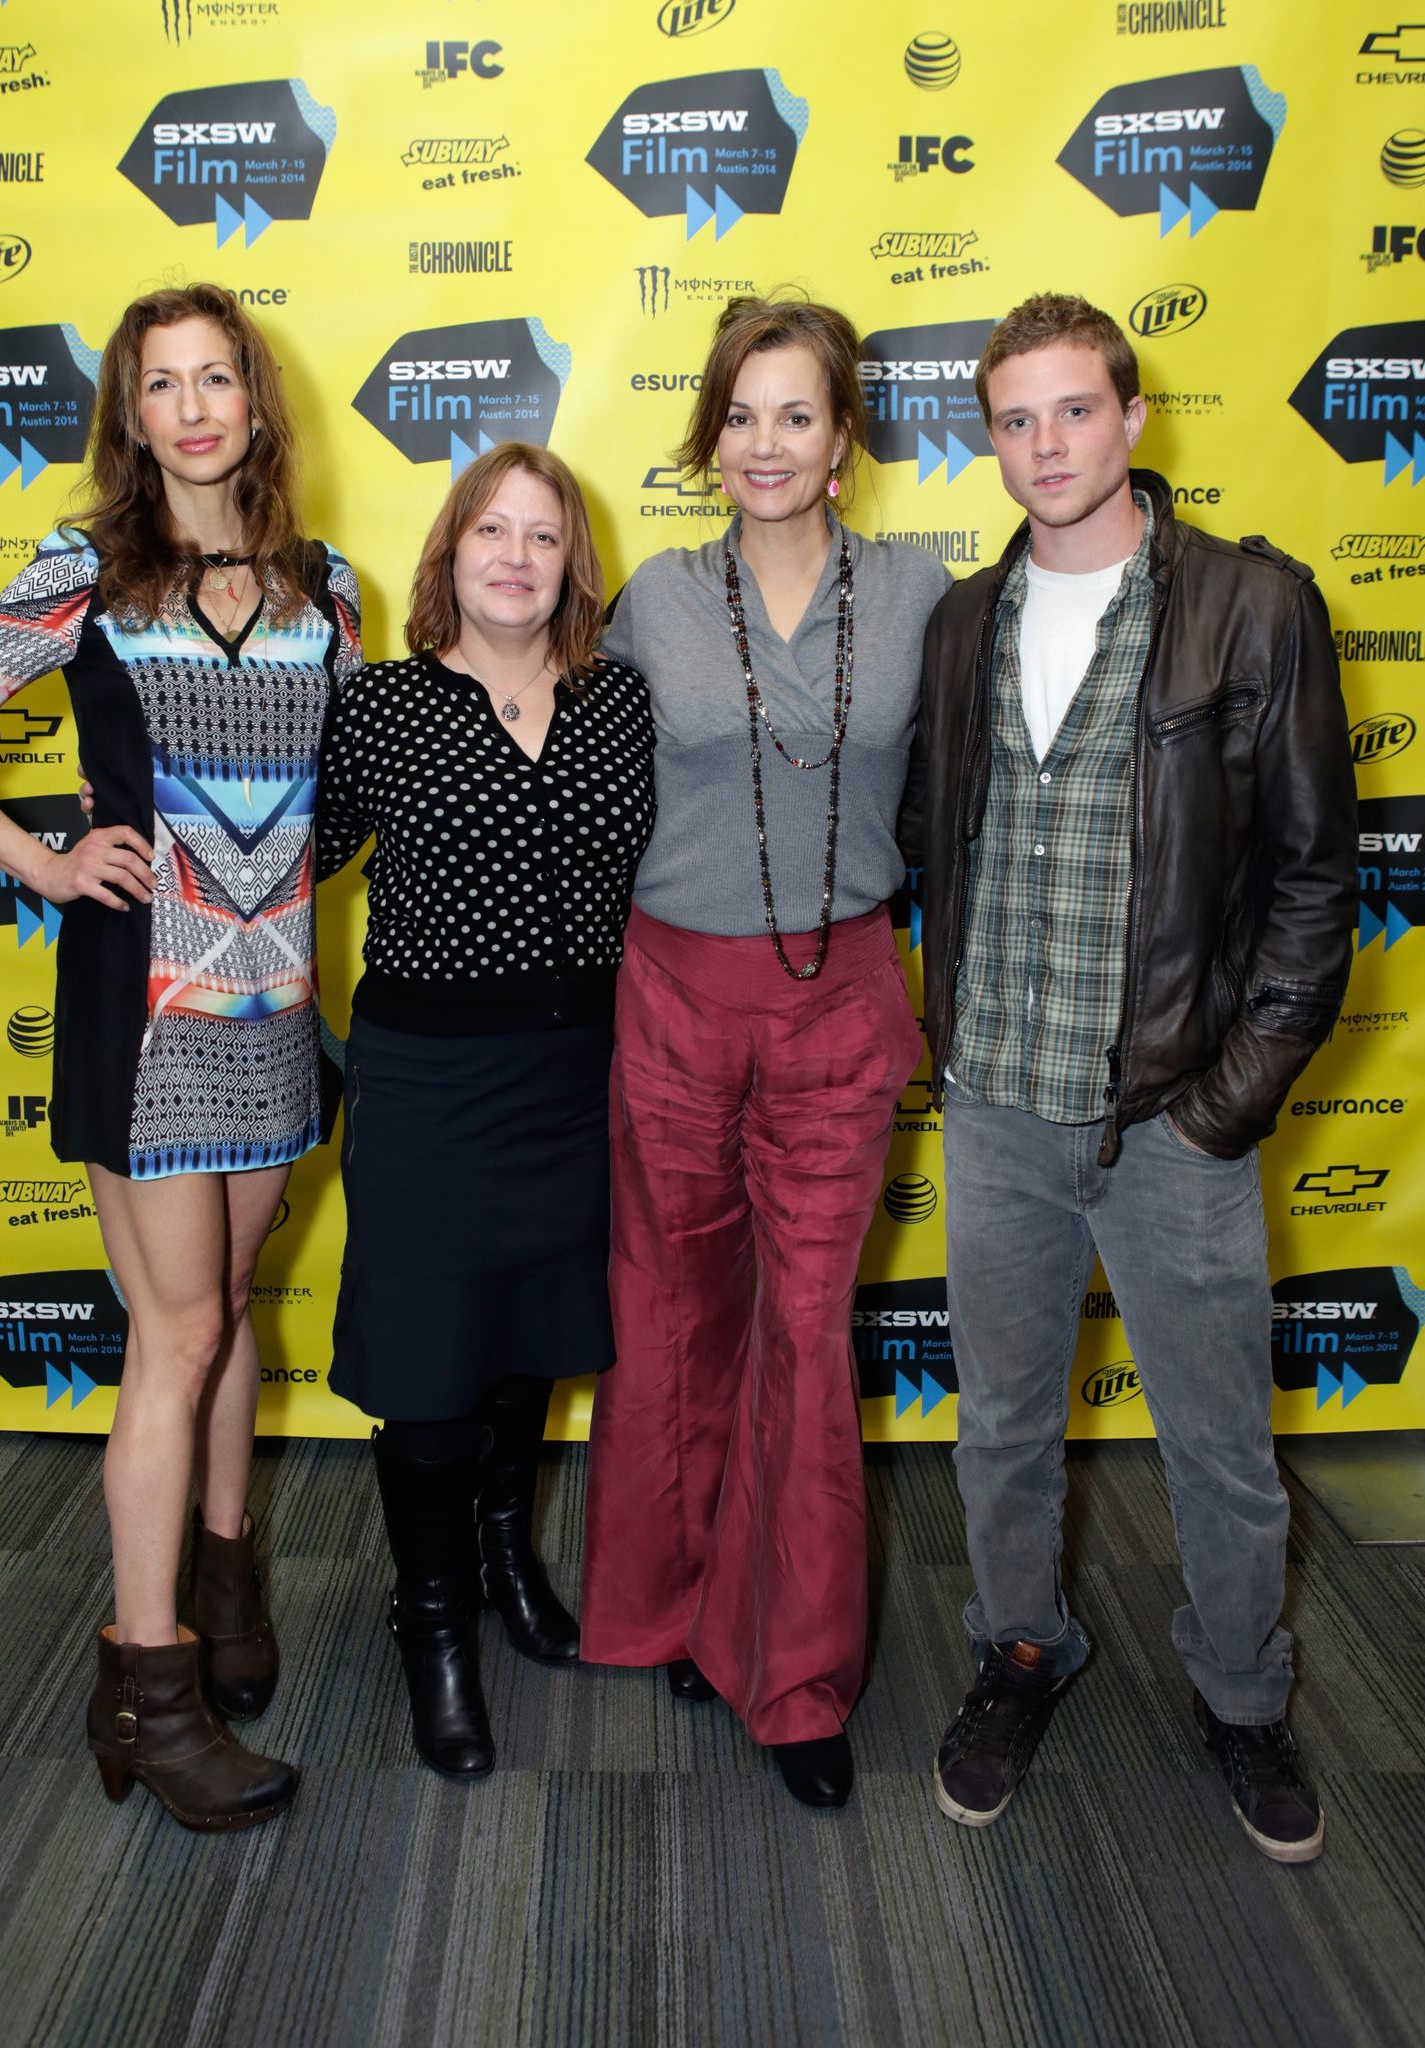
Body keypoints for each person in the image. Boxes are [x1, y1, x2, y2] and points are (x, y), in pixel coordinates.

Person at [0, 283, 364, 1831]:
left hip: (277, 1009)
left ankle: (223, 1595)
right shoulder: (85, 572)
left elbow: (343, 791)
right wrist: (39, 860)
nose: (198, 406)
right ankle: (144, 1685)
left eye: (221, 376)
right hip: (146, 1008)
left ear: (256, 402)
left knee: (225, 1315)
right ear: (132, 415)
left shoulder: (327, 591)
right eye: (165, 385)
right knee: (174, 1336)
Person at [900, 293, 1356, 1862]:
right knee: (1003, 1427)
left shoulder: (1250, 609)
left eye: (1073, 411)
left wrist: (1229, 1099)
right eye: (1014, 420)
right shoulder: (963, 623)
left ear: (1133, 418)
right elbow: (930, 853)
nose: (1045, 446)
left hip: (1175, 1118)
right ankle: (1021, 1650)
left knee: (1221, 1445)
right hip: (1001, 1108)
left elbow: (1313, 880)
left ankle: (1243, 1696)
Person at [578, 293, 949, 1809]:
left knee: (804, 1324)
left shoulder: (927, 593)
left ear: (844, 442)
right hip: (670, 994)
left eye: (796, 414)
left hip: (843, 1000)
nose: (765, 444)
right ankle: (673, 1605)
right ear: (708, 436)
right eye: (740, 415)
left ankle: (793, 1671)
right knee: (672, 1316)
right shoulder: (651, 599)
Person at [315, 442, 655, 1780]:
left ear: (576, 563)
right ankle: (434, 1621)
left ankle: (512, 1556)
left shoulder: (623, 703)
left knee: (530, 1352)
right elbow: (278, 851)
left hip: (581, 1078)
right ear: (449, 553)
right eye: (489, 530)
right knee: (430, 1375)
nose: (514, 553)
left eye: (544, 534)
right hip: (429, 1083)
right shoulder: (382, 705)